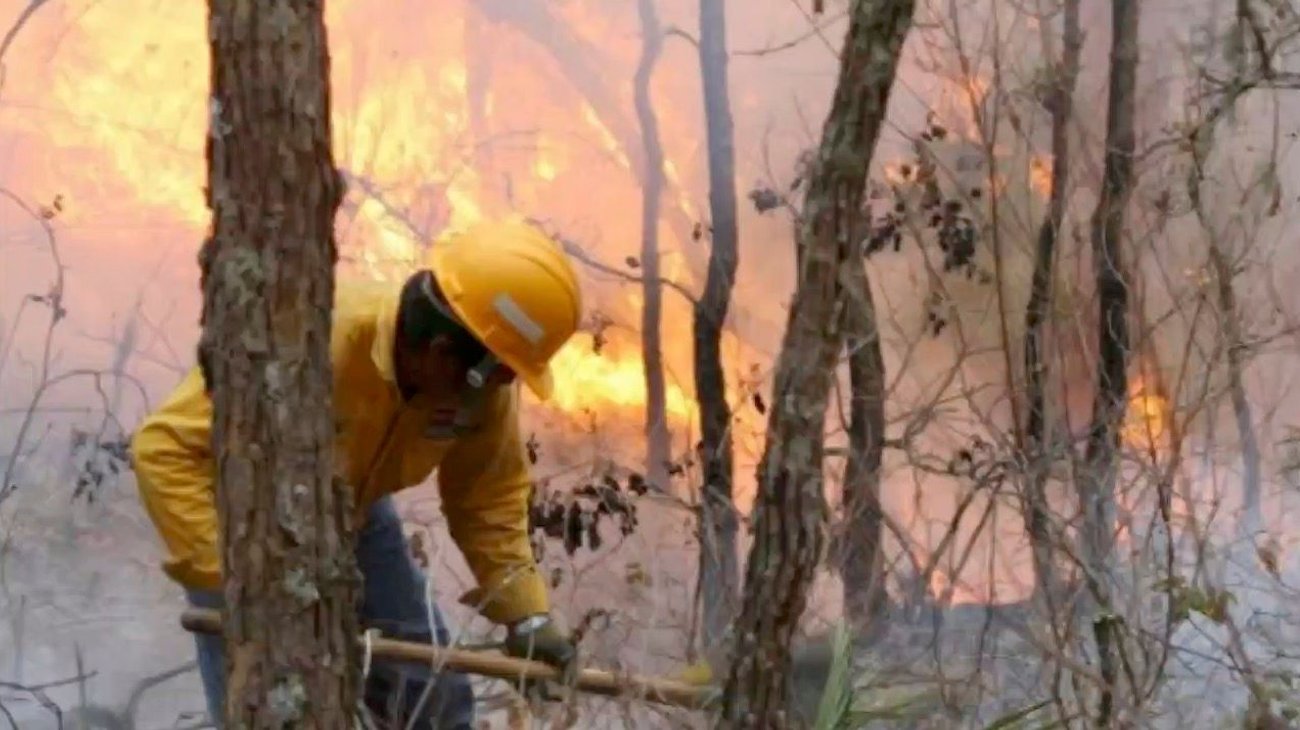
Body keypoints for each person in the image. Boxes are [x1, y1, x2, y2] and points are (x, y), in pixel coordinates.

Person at [130, 218, 583, 728]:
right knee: (267, 708)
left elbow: (487, 500)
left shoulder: (479, 390)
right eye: (498, 372)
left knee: (434, 702)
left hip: (353, 512)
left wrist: (527, 614)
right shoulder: (315, 339)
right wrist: (238, 581)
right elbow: (163, 448)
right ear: (440, 352)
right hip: (241, 528)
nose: (503, 387)